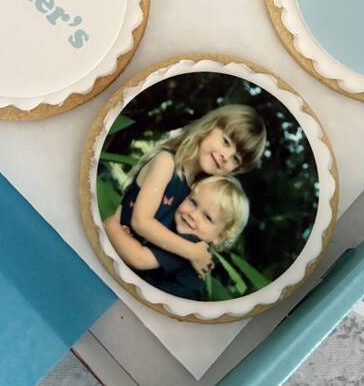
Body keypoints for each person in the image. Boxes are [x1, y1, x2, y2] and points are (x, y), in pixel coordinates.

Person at [103, 104, 266, 277]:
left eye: (236, 159)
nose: (226, 156)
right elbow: (141, 222)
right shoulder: (166, 163)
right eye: (226, 142)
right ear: (209, 127)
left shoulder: (198, 191)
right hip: (112, 257)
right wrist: (192, 252)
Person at [105, 176, 249, 301]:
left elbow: (138, 258)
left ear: (220, 236)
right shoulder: (173, 231)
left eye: (207, 217)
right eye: (193, 202)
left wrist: (112, 225)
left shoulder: (192, 244)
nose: (193, 215)